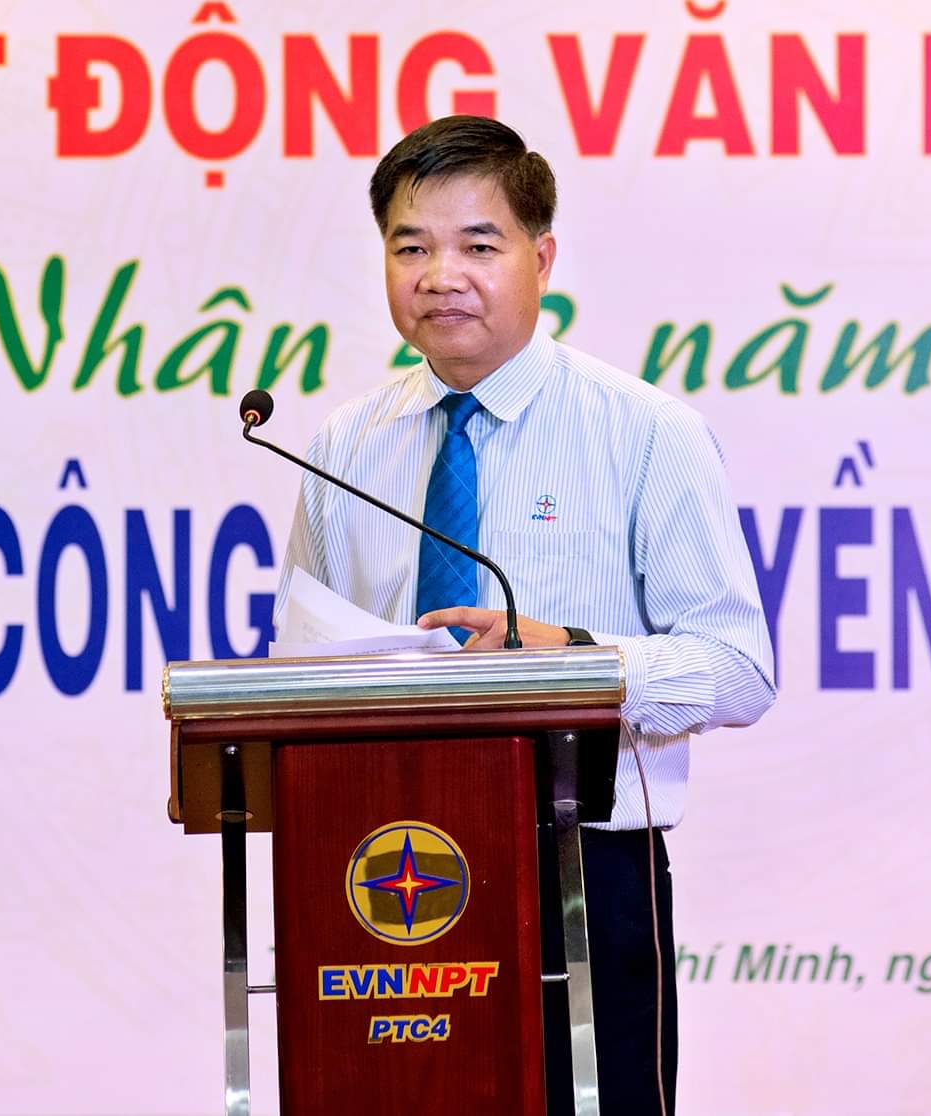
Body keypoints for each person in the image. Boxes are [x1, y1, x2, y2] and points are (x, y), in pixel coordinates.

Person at [278, 115, 777, 1116]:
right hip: (384, 874)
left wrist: (569, 656)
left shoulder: (645, 433)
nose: (440, 277)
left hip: (581, 872)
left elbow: (738, 670)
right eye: (410, 249)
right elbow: (308, 669)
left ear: (540, 259)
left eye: (477, 245)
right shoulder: (342, 445)